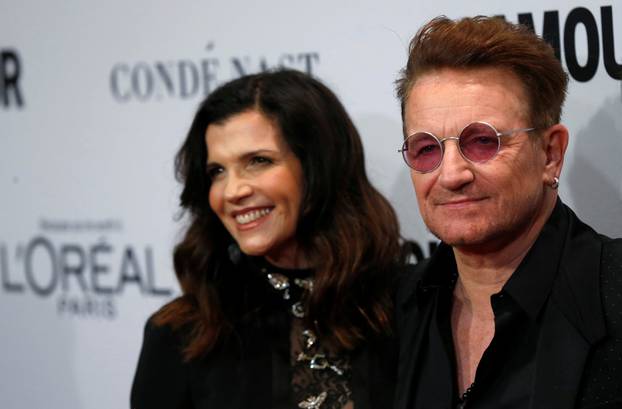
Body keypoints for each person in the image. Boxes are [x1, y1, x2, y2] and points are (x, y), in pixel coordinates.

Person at [131, 69, 403, 409]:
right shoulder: (184, 334)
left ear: (319, 165)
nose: (232, 191)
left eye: (258, 161)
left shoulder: (405, 309)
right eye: (217, 171)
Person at [393, 16, 622, 409]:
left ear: (550, 154)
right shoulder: (393, 309)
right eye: (427, 149)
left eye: (483, 141)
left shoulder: (613, 290)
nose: (451, 175)